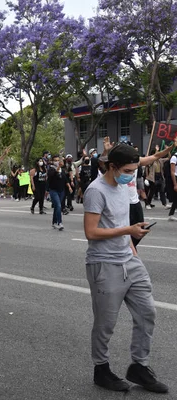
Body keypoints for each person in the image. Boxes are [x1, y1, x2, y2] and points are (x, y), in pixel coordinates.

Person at [83, 144, 168, 393]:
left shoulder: (123, 185)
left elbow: (119, 221)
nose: (132, 174)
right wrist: (128, 230)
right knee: (105, 323)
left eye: (134, 169)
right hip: (104, 264)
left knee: (147, 312)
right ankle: (101, 369)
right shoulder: (95, 191)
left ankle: (139, 367)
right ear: (112, 166)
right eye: (128, 170)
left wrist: (132, 244)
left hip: (129, 259)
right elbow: (91, 232)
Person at [48, 155, 71, 230]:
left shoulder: (62, 170)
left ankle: (54, 222)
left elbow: (65, 179)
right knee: (58, 206)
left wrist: (69, 187)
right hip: (53, 190)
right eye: (55, 160)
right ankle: (59, 222)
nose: (57, 162)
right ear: (52, 161)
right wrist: (58, 167)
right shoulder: (51, 169)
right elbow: (52, 175)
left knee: (57, 207)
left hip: (61, 191)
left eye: (58, 160)